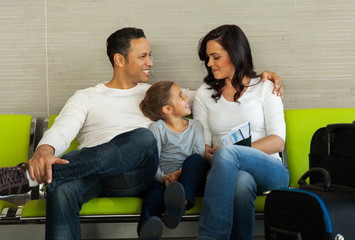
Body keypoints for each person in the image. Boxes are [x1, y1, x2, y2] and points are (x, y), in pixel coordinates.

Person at [0, 26, 283, 239]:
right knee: (61, 190)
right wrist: (43, 152)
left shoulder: (156, 94)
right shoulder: (86, 96)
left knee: (143, 137)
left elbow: (218, 94)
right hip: (91, 174)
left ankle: (25, 177)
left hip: (136, 175)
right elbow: (61, 131)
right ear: (120, 60)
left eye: (151, 55)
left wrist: (260, 77)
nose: (151, 62)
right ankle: (35, 174)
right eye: (143, 56)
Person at [193, 24, 290, 240]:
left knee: (228, 152)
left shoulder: (266, 86)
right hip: (227, 173)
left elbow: (277, 142)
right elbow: (203, 146)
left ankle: (211, 237)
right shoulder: (203, 94)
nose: (210, 64)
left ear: (236, 54)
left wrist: (232, 152)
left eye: (216, 57)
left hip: (271, 170)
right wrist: (214, 154)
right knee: (241, 181)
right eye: (207, 58)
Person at [137, 81, 207, 239]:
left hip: (190, 178)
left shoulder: (196, 126)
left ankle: (181, 204)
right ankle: (146, 231)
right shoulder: (158, 128)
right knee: (153, 196)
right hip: (164, 180)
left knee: (196, 159)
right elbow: (153, 161)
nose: (187, 97)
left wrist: (177, 175)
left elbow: (200, 154)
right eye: (181, 96)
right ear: (167, 109)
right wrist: (164, 178)